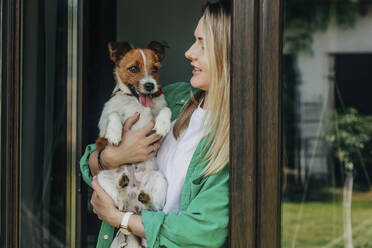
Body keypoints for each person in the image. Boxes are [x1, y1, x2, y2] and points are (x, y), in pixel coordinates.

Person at [79, 1, 231, 247]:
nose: (189, 52)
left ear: (229, 52)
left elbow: (202, 233)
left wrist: (119, 218)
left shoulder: (232, 135)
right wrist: (113, 157)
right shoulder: (170, 98)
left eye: (203, 45)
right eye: (195, 41)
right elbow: (88, 163)